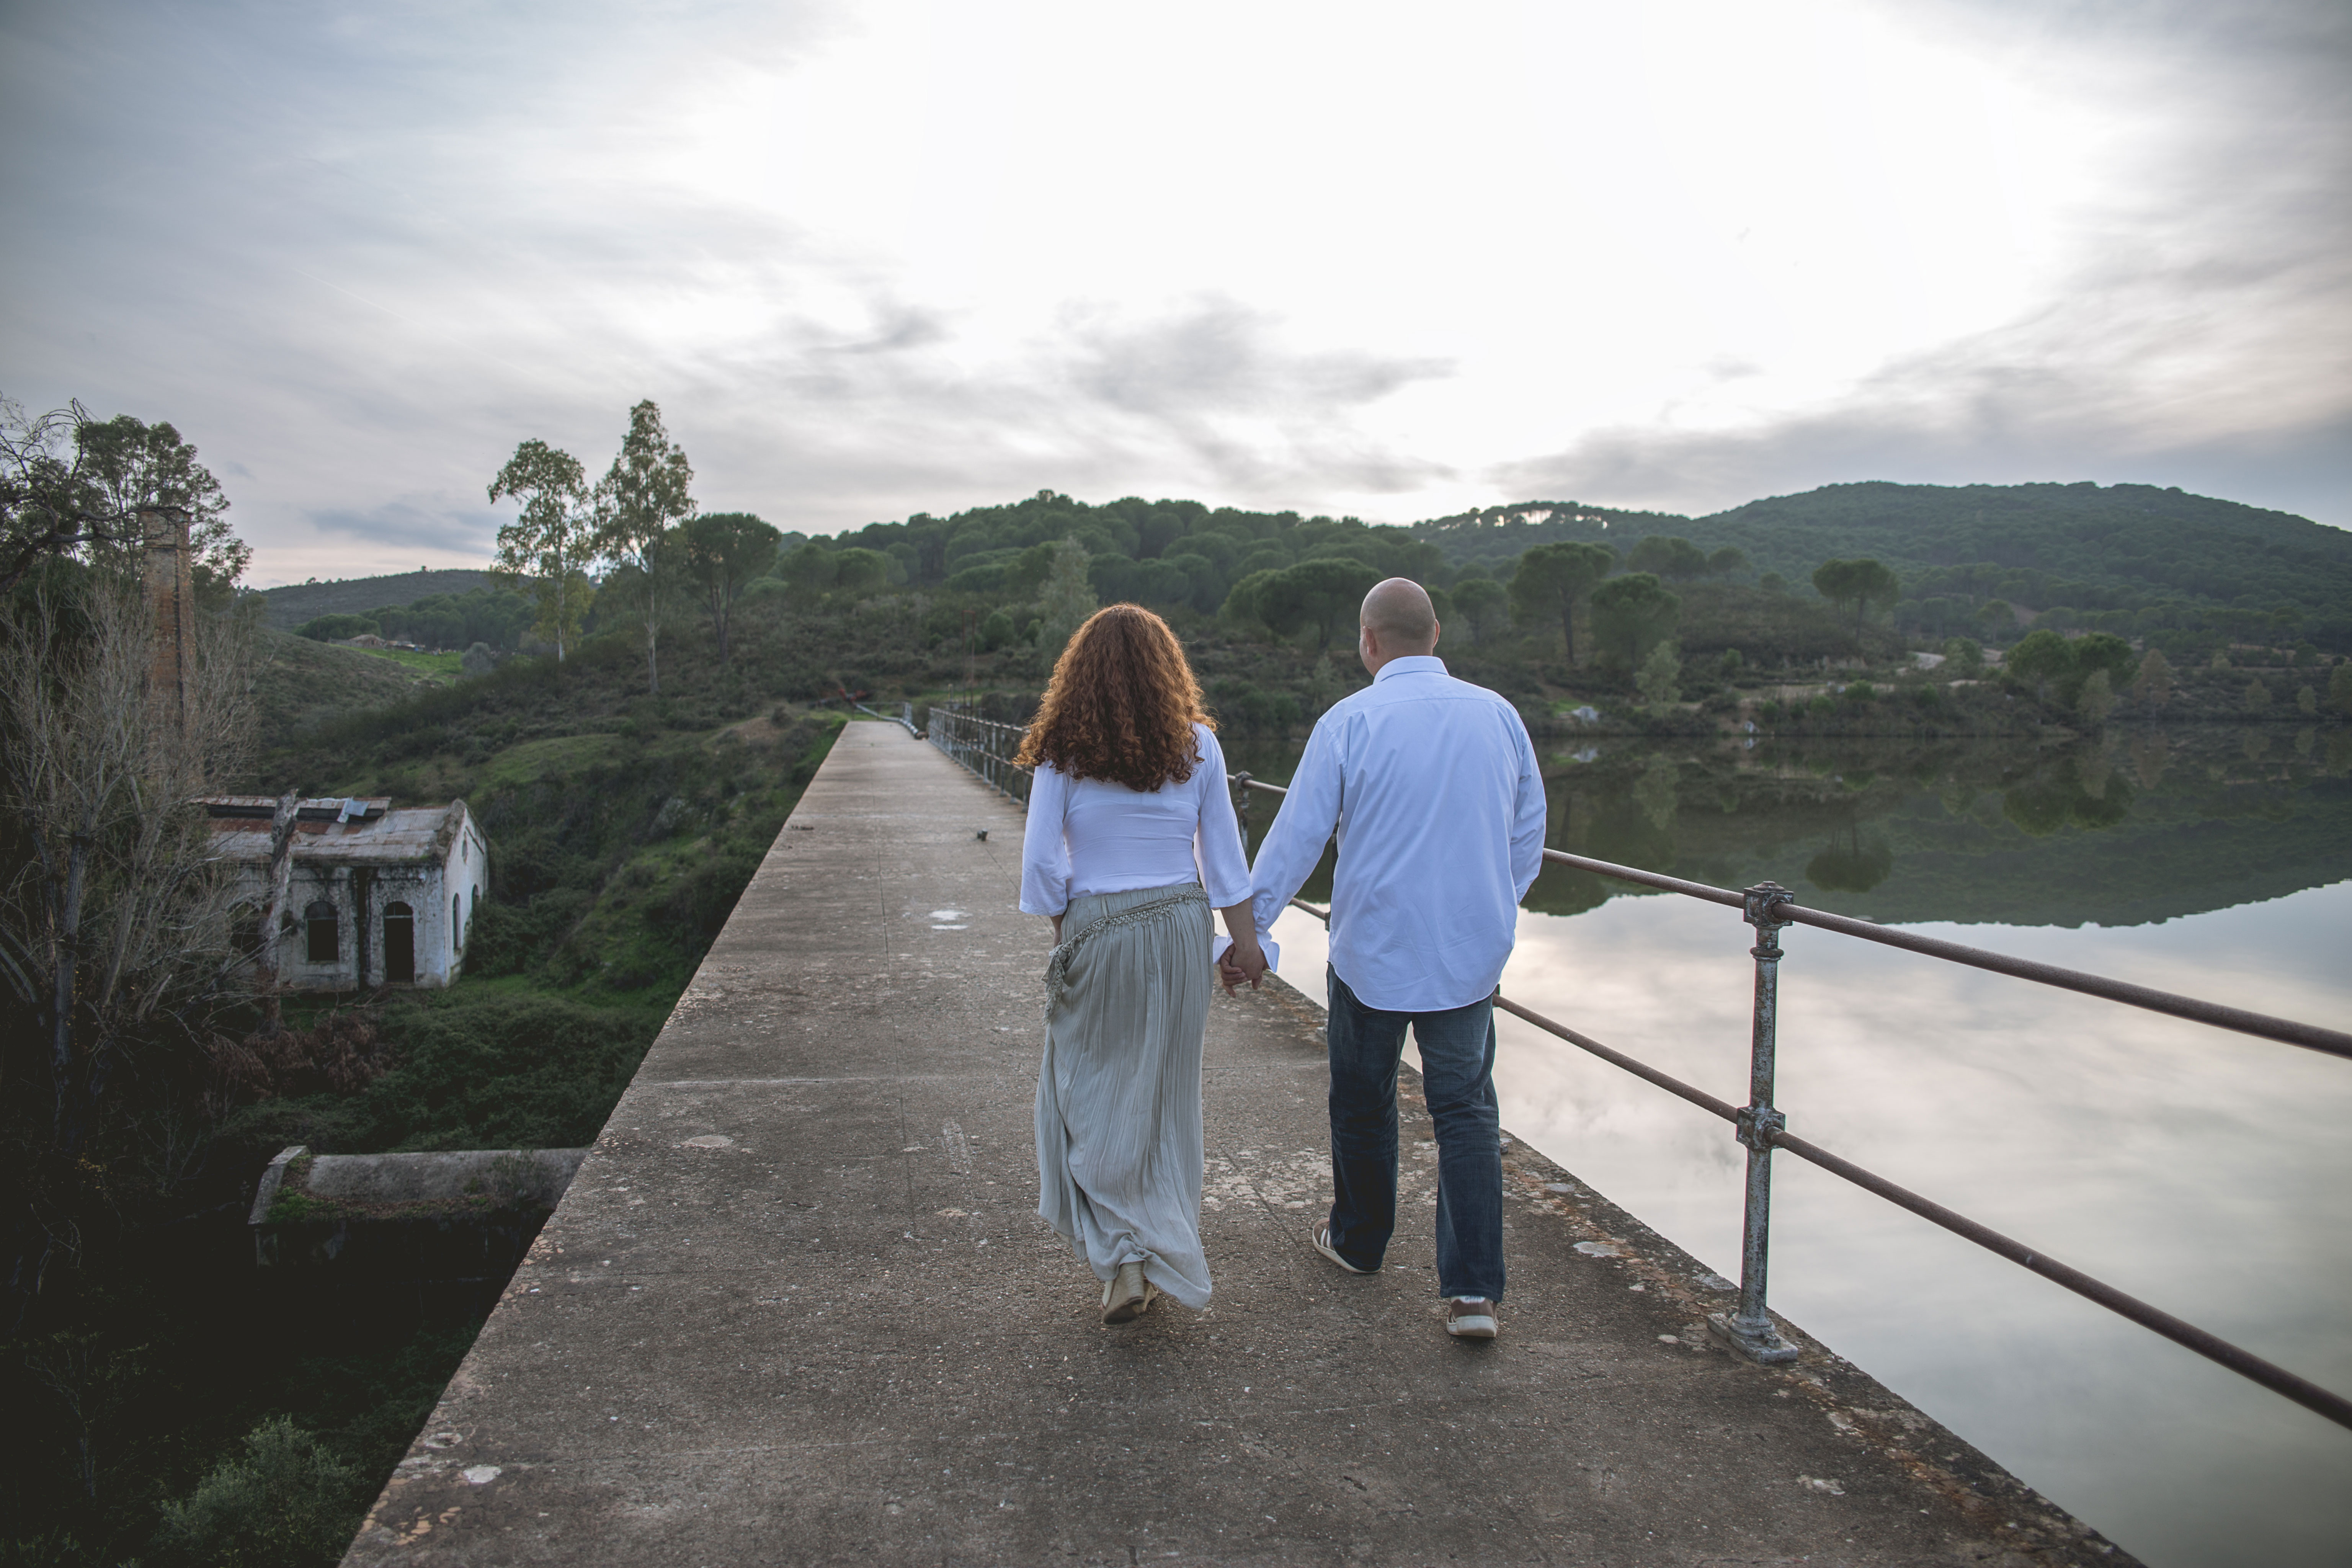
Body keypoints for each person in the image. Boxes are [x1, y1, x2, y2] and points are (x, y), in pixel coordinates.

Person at [1228, 578, 1543, 1339]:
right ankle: (1473, 1294)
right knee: (1465, 1110)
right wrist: (1493, 908)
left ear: (1368, 642)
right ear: (1435, 633)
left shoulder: (1349, 720)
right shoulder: (1499, 715)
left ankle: (1360, 1243)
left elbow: (1297, 836)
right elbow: (1527, 830)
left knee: (1363, 1100)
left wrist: (1248, 935)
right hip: (1468, 955)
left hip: (1372, 949)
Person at [1017, 604, 1267, 1326]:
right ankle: (1152, 1247)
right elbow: (1226, 860)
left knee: (1087, 1092)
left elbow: (1041, 865)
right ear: (1168, 671)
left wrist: (1071, 933)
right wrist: (1246, 946)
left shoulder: (1061, 752)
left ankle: (1125, 1256)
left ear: (1078, 675)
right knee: (1165, 1095)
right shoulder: (1198, 745)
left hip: (1099, 924)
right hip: (1182, 925)